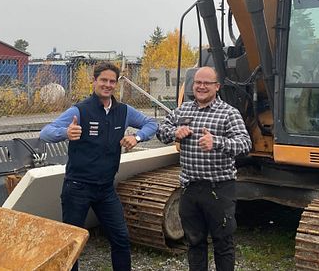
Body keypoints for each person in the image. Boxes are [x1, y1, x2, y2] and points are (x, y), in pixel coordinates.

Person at [40, 62, 158, 271]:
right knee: (72, 244)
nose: (108, 85)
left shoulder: (123, 111)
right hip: (78, 188)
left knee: (121, 239)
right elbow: (46, 132)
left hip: (105, 189)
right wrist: (65, 133)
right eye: (103, 80)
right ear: (94, 81)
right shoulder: (80, 110)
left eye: (112, 81)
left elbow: (152, 123)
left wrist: (137, 137)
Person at [157, 66, 251, 271]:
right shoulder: (183, 110)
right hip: (190, 189)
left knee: (223, 243)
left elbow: (244, 144)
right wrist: (175, 132)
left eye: (206, 83)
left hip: (219, 189)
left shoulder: (228, 113)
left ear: (217, 86)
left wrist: (216, 142)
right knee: (194, 241)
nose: (201, 86)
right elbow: (162, 132)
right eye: (197, 82)